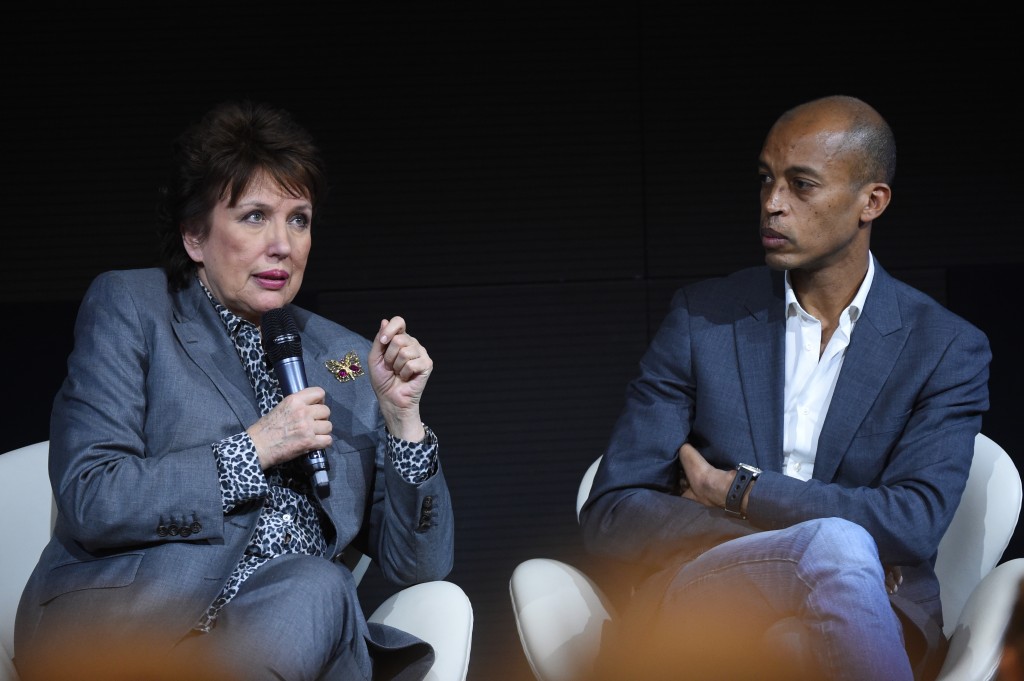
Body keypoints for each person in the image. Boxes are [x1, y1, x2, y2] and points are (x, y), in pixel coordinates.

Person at [13, 100, 454, 681]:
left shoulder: (345, 358)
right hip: (134, 629)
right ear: (195, 236)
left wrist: (403, 422)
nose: (283, 244)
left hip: (293, 624)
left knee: (319, 586)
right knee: (322, 591)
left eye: (299, 219)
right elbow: (93, 495)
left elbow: (420, 565)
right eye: (254, 217)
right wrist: (252, 451)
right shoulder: (133, 307)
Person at [579, 95, 991, 681]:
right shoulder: (703, 320)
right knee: (840, 548)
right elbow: (613, 510)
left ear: (870, 202)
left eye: (801, 185)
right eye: (766, 181)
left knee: (797, 642)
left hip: (880, 611)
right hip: (710, 597)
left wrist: (736, 491)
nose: (772, 204)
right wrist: (826, 550)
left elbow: (914, 520)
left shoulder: (945, 347)